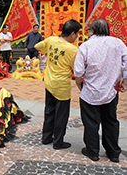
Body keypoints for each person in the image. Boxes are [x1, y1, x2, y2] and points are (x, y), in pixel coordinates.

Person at [74, 19, 127, 162]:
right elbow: (126, 64)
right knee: (110, 121)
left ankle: (92, 152)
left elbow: (78, 71)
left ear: (92, 30)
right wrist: (125, 82)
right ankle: (113, 153)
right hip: (111, 91)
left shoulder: (86, 46)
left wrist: (79, 84)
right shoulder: (118, 43)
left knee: (91, 123)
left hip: (90, 92)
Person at [34, 19, 81, 149]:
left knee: (49, 111)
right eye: (76, 34)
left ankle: (46, 137)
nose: (76, 37)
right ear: (72, 34)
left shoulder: (51, 40)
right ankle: (58, 142)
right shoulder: (73, 50)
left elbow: (37, 47)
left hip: (49, 82)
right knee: (61, 115)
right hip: (62, 87)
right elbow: (76, 70)